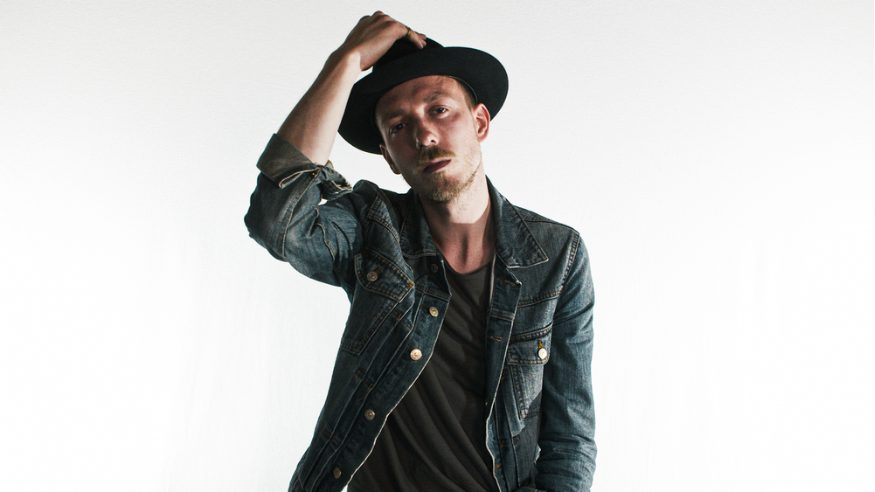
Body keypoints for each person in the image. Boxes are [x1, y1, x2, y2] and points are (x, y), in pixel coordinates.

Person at [245, 12, 596, 492]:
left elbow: (570, 439)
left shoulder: (557, 256)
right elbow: (276, 224)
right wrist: (344, 62)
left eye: (439, 110)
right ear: (388, 156)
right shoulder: (372, 228)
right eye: (398, 125)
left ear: (480, 122)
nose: (424, 135)